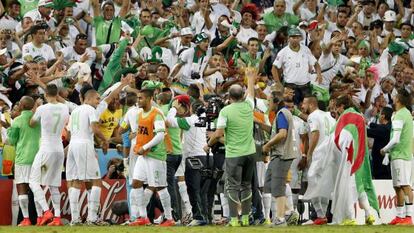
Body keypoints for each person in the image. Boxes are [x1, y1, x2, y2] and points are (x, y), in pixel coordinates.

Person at [206, 67, 257, 227]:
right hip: (250, 152)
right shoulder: (249, 106)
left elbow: (219, 132)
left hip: (234, 154)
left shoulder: (226, 111)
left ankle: (234, 219)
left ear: (229, 97)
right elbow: (251, 93)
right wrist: (250, 78)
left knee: (232, 187)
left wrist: (208, 143)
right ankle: (246, 218)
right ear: (242, 96)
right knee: (247, 186)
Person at [128, 88, 175, 227]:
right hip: (143, 155)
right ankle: (143, 217)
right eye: (138, 98)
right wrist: (136, 140)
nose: (138, 100)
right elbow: (142, 132)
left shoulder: (157, 114)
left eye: (141, 98)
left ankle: (169, 218)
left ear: (149, 99)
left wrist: (145, 147)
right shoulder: (140, 114)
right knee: (136, 182)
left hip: (156, 156)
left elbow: (160, 135)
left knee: (160, 186)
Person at [66, 89, 110, 225]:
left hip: (73, 145)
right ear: (89, 98)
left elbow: (68, 133)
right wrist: (105, 140)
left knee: (75, 180)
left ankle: (75, 219)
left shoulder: (74, 111)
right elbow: (95, 128)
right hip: (84, 145)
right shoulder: (90, 110)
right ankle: (92, 218)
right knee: (96, 180)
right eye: (97, 99)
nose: (98, 102)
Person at [27, 84, 69, 226]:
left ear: (45, 95)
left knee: (33, 182)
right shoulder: (64, 108)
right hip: (59, 150)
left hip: (46, 149)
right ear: (57, 94)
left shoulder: (42, 108)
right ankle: (57, 217)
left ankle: (46, 211)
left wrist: (35, 107)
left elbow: (31, 123)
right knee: (53, 185)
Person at [261, 90, 299, 227]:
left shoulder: (281, 113)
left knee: (278, 186)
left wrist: (267, 145)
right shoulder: (282, 114)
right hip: (280, 154)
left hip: (282, 154)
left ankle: (280, 219)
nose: (268, 102)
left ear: (276, 101)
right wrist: (259, 123)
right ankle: (289, 212)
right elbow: (275, 131)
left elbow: (282, 134)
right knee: (270, 184)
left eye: (270, 100)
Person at [301, 95, 336, 225]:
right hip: (330, 154)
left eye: (304, 104)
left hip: (319, 154)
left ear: (311, 105)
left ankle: (320, 215)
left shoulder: (313, 116)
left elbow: (315, 134)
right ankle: (323, 216)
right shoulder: (329, 116)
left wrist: (309, 153)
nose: (302, 106)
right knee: (325, 185)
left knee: (312, 180)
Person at [381, 89, 413, 225]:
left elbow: (396, 139)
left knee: (405, 185)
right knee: (398, 186)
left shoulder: (400, 115)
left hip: (401, 155)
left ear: (398, 99)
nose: (392, 97)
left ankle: (409, 217)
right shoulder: (405, 114)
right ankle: (400, 216)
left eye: (395, 96)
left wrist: (385, 149)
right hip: (401, 155)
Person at [7, 96, 40, 226]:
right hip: (37, 158)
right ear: (32, 106)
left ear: (21, 105)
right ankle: (40, 217)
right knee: (36, 188)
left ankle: (25, 219)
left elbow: (12, 141)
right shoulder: (38, 120)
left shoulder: (17, 121)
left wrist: (9, 130)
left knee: (22, 187)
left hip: (22, 159)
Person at [272, 27, 322, 105]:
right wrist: (278, 82)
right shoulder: (283, 52)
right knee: (291, 106)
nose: (295, 39)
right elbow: (274, 68)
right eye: (293, 37)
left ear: (300, 38)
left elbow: (315, 63)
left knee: (308, 106)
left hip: (305, 85)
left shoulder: (306, 50)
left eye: (297, 37)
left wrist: (319, 74)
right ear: (288, 38)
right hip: (290, 86)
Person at [367, 107, 393, 179]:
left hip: (382, 167)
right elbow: (378, 127)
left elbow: (367, 131)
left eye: (380, 113)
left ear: (383, 116)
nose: (378, 115)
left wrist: (358, 124)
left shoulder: (384, 129)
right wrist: (368, 122)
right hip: (384, 165)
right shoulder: (388, 126)